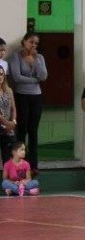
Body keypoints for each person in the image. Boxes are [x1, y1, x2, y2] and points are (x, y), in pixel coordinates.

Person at [9, 32, 46, 172]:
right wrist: (35, 80)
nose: (33, 45)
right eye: (31, 42)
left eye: (36, 43)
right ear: (24, 42)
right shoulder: (16, 56)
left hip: (36, 96)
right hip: (21, 96)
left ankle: (33, 165)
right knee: (22, 130)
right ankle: (19, 163)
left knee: (33, 131)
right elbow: (17, 77)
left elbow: (43, 76)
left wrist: (35, 60)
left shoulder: (40, 57)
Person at [0, 65, 17, 165]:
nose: (0, 76)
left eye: (1, 74)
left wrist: (13, 122)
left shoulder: (9, 90)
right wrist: (6, 123)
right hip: (3, 125)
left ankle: (7, 180)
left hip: (8, 128)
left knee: (8, 160)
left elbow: (13, 109)